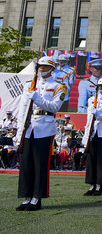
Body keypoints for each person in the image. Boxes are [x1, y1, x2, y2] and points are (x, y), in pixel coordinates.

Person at [14, 56, 68, 211]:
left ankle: (37, 198)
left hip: (44, 128)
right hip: (29, 127)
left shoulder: (59, 86)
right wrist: (19, 133)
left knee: (40, 164)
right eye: (40, 66)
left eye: (44, 67)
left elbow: (54, 107)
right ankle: (26, 196)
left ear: (52, 68)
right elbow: (23, 109)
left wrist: (36, 97)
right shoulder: (29, 85)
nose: (41, 69)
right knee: (26, 164)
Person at [82, 77, 102, 196]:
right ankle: (91, 185)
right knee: (91, 159)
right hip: (92, 132)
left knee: (101, 159)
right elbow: (89, 118)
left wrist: (100, 115)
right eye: (99, 86)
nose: (101, 88)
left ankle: (99, 185)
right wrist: (86, 135)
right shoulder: (91, 100)